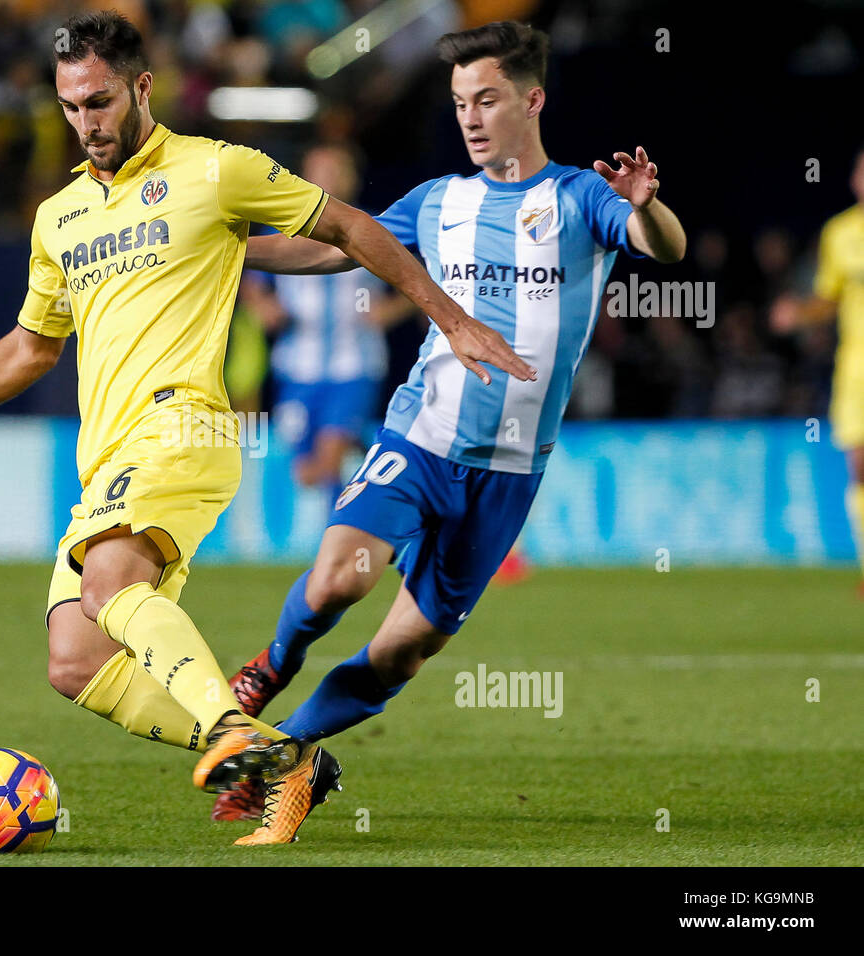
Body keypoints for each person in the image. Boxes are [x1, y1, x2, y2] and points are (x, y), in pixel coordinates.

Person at [0, 11, 535, 846]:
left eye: (99, 102)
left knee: (109, 588)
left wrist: (453, 321)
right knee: (73, 660)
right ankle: (288, 761)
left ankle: (230, 728)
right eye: (70, 107)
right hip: (107, 460)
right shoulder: (59, 217)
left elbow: (352, 229)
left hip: (187, 429)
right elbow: (32, 348)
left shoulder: (217, 172)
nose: (87, 122)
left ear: (143, 87)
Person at [214, 19, 686, 820]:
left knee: (399, 654)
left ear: (532, 100)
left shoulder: (579, 198)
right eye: (461, 101)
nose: (470, 117)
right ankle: (269, 665)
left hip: (507, 473)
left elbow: (660, 246)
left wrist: (650, 205)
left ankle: (281, 756)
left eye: (488, 98)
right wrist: (225, 247)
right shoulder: (439, 201)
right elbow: (333, 248)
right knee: (337, 579)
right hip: (421, 438)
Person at [240, 143, 415, 502]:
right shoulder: (279, 229)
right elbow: (251, 285)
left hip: (355, 367)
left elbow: (415, 283)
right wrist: (265, 308)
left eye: (337, 171)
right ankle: (366, 461)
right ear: (305, 178)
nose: (329, 179)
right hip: (296, 369)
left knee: (327, 462)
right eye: (322, 171)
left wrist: (389, 311)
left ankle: (339, 550)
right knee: (308, 473)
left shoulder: (373, 228)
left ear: (352, 178)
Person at [771, 146, 864, 594]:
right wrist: (800, 314)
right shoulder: (841, 233)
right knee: (859, 466)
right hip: (857, 368)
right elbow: (829, 300)